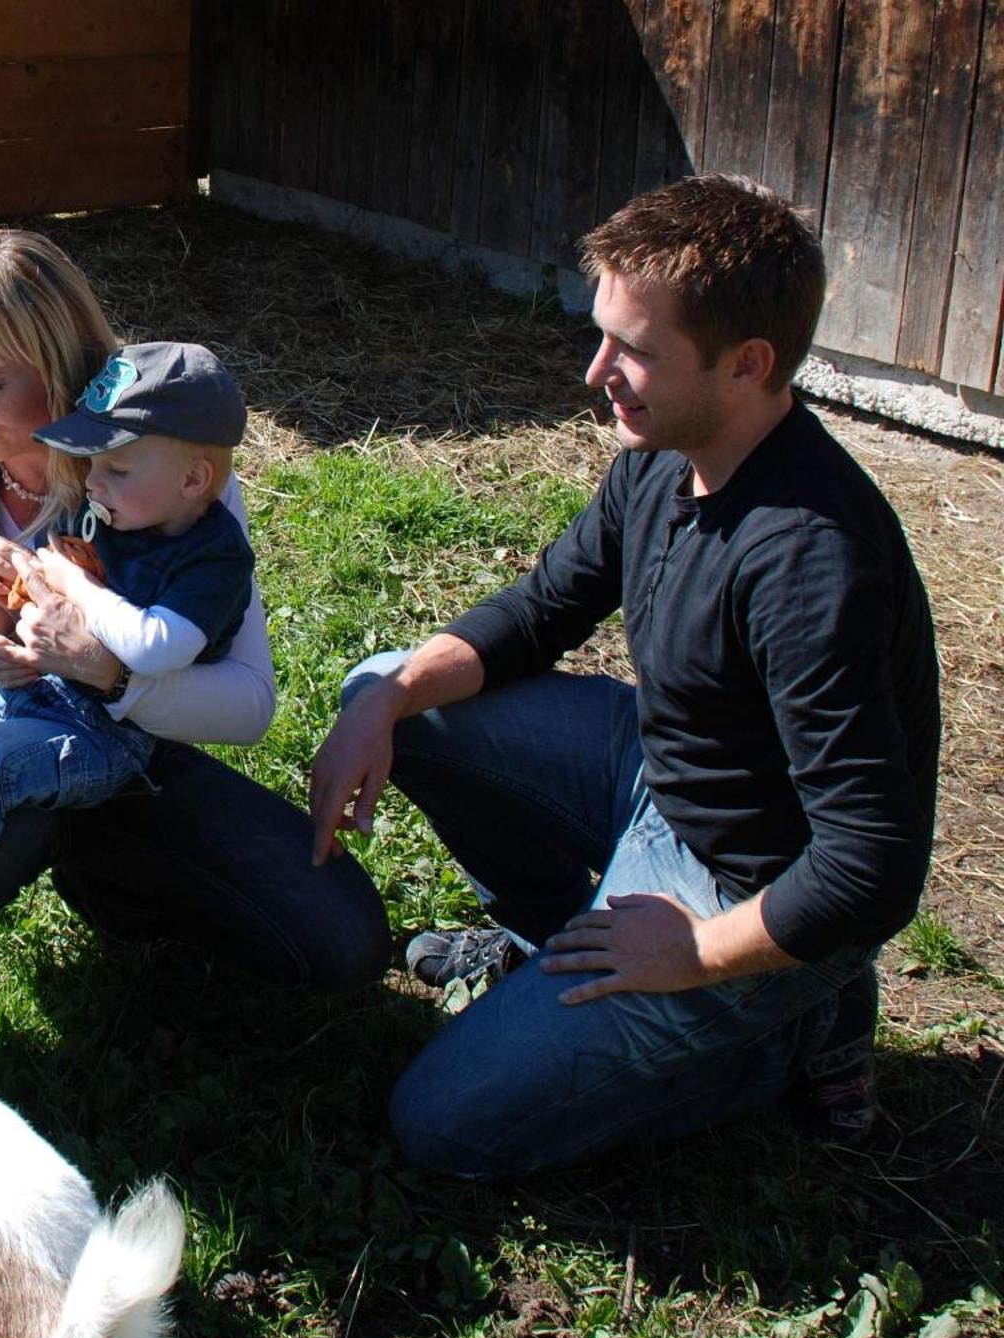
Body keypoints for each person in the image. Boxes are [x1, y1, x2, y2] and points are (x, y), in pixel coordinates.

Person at [310, 174, 940, 1179]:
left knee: (443, 1124)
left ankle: (790, 1026)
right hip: (654, 775)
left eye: (632, 349)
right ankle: (545, 935)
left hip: (739, 888)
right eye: (599, 332)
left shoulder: (811, 563)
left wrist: (692, 954)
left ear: (748, 363)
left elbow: (870, 867)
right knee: (391, 683)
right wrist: (383, 701)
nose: (594, 368)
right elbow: (539, 610)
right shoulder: (660, 454)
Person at [0, 229, 391, 1006]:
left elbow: (248, 701)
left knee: (340, 935)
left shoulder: (161, 459)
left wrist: (111, 671)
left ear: (62, 368)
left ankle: (112, 881)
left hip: (124, 748)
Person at [0, 340, 255, 910]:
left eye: (114, 468)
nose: (92, 482)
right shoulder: (102, 510)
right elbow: (28, 573)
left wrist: (79, 590)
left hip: (105, 731)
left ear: (192, 481)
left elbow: (156, 649)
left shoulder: (213, 558)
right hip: (29, 686)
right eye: (90, 466)